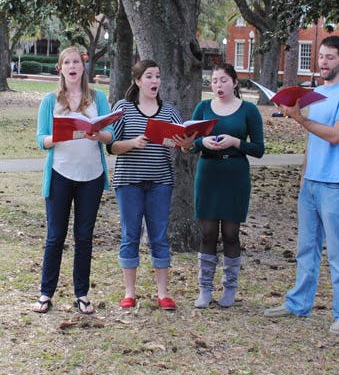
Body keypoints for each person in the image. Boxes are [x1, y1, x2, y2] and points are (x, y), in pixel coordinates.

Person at [263, 35, 339, 336]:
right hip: (311, 183)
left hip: (337, 184)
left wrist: (299, 119)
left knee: (338, 252)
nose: (322, 62)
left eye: (330, 57)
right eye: (321, 56)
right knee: (306, 248)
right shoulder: (316, 93)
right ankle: (298, 303)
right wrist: (303, 175)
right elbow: (313, 139)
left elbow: (336, 135)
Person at [32, 46, 113, 314]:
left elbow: (110, 135)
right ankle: (46, 293)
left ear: (83, 66)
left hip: (91, 176)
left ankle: (82, 294)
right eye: (67, 62)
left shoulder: (98, 98)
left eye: (76, 61)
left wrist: (97, 135)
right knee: (55, 236)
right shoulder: (49, 100)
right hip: (60, 175)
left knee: (84, 236)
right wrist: (58, 137)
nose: (72, 66)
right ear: (61, 68)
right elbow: (41, 139)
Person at [109, 60, 192, 311]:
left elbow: (185, 148)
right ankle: (129, 293)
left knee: (159, 236)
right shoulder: (122, 108)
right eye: (149, 76)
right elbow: (111, 147)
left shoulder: (170, 112)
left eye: (157, 76)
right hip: (128, 182)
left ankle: (163, 293)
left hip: (160, 182)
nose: (155, 81)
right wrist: (132, 143)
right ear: (137, 81)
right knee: (130, 234)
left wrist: (185, 143)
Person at [189, 63, 264, 308]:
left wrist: (235, 142)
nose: (218, 85)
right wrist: (203, 143)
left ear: (235, 83)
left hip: (235, 175)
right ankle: (205, 289)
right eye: (214, 81)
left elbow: (259, 149)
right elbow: (189, 143)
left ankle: (229, 288)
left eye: (223, 80)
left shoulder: (249, 110)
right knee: (208, 233)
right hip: (209, 173)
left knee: (231, 234)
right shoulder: (202, 108)